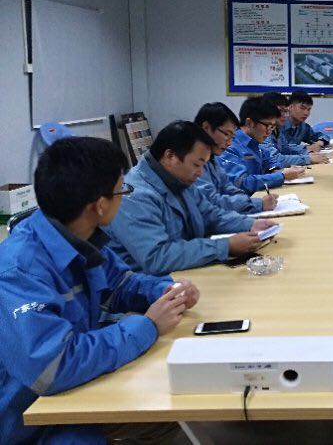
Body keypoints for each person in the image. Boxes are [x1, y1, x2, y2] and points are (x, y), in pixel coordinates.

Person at [0, 137, 199, 444]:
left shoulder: (78, 234)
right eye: (122, 190)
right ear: (100, 205)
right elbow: (52, 367)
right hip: (29, 417)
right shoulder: (19, 269)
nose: (124, 197)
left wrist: (167, 291)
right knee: (161, 410)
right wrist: (147, 326)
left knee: (171, 410)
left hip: (70, 391)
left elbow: (121, 283)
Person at [106, 121, 275, 275]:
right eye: (196, 164)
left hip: (187, 273)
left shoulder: (178, 179)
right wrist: (225, 246)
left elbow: (210, 215)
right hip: (153, 286)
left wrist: (250, 224)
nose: (200, 173)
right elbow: (157, 257)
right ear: (170, 156)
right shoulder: (134, 195)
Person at [195, 102, 277, 214]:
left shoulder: (212, 158)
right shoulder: (193, 160)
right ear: (206, 128)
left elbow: (229, 188)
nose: (229, 143)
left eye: (232, 137)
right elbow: (210, 202)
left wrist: (249, 202)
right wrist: (257, 203)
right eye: (226, 134)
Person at [218, 97, 306, 193]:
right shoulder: (229, 146)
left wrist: (274, 170)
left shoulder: (256, 143)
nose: (269, 131)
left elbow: (270, 161)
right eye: (267, 125)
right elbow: (241, 183)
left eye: (272, 126)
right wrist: (281, 176)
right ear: (249, 123)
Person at [261, 92, 329, 166]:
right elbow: (273, 159)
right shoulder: (263, 131)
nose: (285, 115)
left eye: (285, 111)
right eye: (280, 111)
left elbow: (286, 149)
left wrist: (308, 153)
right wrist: (307, 158)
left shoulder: (277, 129)